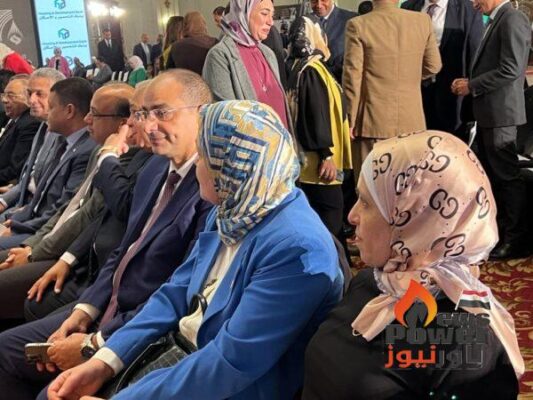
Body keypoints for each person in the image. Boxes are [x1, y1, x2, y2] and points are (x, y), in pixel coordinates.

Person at [45, 99, 344, 400]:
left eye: (203, 155)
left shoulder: (297, 249)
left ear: (232, 167)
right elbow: (174, 293)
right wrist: (104, 362)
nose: (196, 164)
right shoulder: (233, 210)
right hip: (181, 360)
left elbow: (231, 362)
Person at [0, 69, 212, 400]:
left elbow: (176, 292)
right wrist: (85, 311)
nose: (148, 126)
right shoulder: (155, 166)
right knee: (7, 350)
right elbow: (124, 249)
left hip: (140, 327)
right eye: (143, 114)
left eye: (162, 113)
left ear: (201, 114)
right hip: (105, 304)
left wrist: (95, 343)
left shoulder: (209, 187)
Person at [302, 130, 523, 399]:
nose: (352, 215)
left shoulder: (467, 343)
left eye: (368, 203)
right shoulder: (373, 282)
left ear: (415, 217)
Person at [0, 84, 135, 324]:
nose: (87, 119)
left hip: (79, 260)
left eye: (95, 114)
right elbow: (69, 207)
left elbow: (85, 217)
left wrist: (34, 252)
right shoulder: (99, 151)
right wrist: (32, 246)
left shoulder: (115, 160)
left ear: (123, 124)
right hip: (52, 242)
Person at [452, 0, 531, 260]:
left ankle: (516, 240)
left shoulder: (512, 18)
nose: (473, 4)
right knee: (494, 176)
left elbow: (511, 68)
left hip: (501, 114)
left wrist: (472, 85)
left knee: (506, 177)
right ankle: (501, 233)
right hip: (490, 113)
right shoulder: (497, 19)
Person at [343, 0, 442, 184]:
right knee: (409, 188)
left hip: (372, 121)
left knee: (372, 188)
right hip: (412, 123)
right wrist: (410, 76)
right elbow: (434, 66)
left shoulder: (358, 25)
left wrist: (349, 118)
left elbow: (352, 77)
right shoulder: (422, 21)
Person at [0, 78, 96, 249]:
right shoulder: (62, 141)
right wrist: (16, 220)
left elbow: (63, 208)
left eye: (51, 108)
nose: (32, 101)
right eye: (30, 93)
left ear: (69, 111)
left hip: (44, 234)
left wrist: (18, 226)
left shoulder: (85, 150)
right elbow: (39, 192)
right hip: (30, 219)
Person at [287, 16, 351, 245]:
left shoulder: (300, 65)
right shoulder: (312, 69)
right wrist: (326, 155)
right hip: (318, 162)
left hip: (310, 160)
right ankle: (335, 262)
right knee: (331, 215)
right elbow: (314, 114)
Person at [402, 0, 483, 140]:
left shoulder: (468, 9)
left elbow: (475, 50)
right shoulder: (408, 7)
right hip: (414, 93)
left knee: (450, 145)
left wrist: (471, 85)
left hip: (452, 93)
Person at [203, 0, 290, 130]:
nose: (271, 22)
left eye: (272, 15)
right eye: (264, 13)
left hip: (283, 140)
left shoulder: (268, 53)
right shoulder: (220, 56)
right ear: (243, 13)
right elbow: (227, 120)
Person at [0, 68, 65, 221]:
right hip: (22, 204)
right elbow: (29, 179)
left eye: (39, 94)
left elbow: (53, 196)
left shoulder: (63, 133)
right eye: (30, 94)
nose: (31, 100)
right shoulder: (42, 125)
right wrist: (3, 201)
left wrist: (24, 213)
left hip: (36, 215)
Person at [0, 76, 41, 186]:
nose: (4, 100)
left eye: (11, 96)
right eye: (4, 95)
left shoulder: (29, 123)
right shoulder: (16, 119)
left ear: (27, 98)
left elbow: (15, 170)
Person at [309, 0, 357, 82]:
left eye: (324, 0)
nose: (319, 5)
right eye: (314, 1)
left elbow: (355, 59)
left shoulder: (352, 20)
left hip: (341, 82)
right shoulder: (304, 21)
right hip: (311, 82)